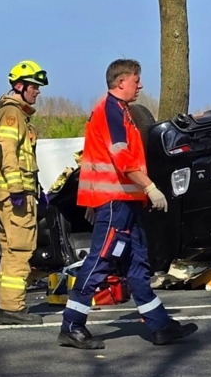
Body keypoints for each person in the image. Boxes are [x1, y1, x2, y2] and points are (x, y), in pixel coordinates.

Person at [59, 59, 198, 350]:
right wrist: (149, 187)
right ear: (121, 81)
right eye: (137, 80)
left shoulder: (120, 111)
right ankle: (71, 325)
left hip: (124, 201)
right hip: (115, 202)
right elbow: (122, 160)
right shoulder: (111, 111)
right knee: (102, 259)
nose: (141, 85)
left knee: (138, 264)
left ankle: (160, 326)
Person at [0, 60, 48, 325]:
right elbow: (8, 152)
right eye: (34, 87)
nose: (38, 92)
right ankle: (13, 308)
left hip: (10, 196)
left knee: (10, 251)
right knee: (20, 251)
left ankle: (8, 305)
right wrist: (17, 189)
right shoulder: (12, 115)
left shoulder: (15, 115)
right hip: (16, 198)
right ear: (20, 86)